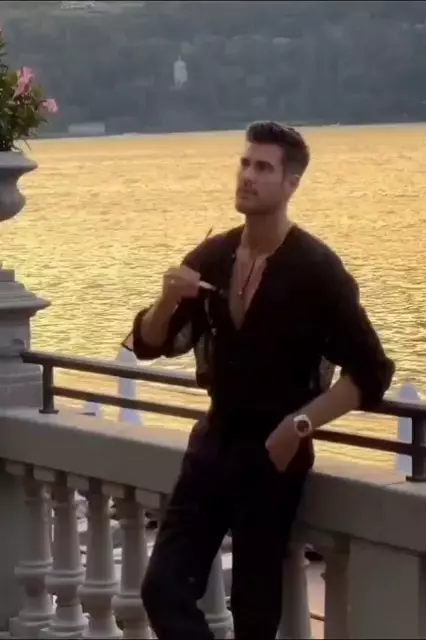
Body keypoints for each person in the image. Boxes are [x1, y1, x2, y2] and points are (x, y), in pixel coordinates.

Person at [123, 121, 395, 640]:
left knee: (255, 615)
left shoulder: (317, 270)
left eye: (263, 167)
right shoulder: (213, 256)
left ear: (291, 183)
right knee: (162, 589)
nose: (248, 175)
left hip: (273, 456)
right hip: (212, 445)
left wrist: (298, 426)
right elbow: (150, 342)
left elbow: (372, 370)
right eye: (245, 163)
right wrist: (167, 297)